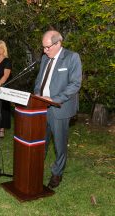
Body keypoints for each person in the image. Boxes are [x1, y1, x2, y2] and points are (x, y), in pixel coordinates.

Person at [34, 30, 82, 188]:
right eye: (43, 47)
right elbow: (39, 80)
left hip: (59, 108)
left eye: (47, 47)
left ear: (58, 43)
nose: (44, 50)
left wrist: (54, 100)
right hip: (41, 107)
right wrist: (36, 96)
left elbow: (75, 84)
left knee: (60, 145)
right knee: (41, 142)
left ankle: (57, 173)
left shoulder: (71, 57)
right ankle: (35, 169)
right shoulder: (44, 58)